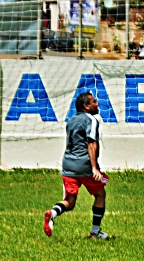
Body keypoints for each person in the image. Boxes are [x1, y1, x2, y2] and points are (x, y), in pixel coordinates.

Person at [43, 92, 110, 239]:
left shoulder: (71, 120)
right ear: (86, 106)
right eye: (94, 102)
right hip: (84, 166)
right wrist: (94, 168)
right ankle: (95, 232)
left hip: (68, 166)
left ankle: (52, 213)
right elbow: (91, 143)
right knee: (101, 194)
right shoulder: (91, 120)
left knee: (70, 202)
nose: (97, 104)